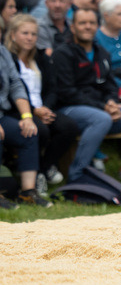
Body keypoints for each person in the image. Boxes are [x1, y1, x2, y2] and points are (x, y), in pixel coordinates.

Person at [53, 8, 121, 183]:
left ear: (97, 27)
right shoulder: (63, 53)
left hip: (100, 109)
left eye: (91, 23)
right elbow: (67, 92)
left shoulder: (101, 53)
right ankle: (78, 176)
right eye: (82, 23)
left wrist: (112, 103)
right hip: (69, 109)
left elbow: (110, 86)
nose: (87, 27)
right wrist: (103, 107)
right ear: (73, 27)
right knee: (101, 119)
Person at [6, 14, 78, 194]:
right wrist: (33, 111)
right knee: (40, 130)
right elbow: (9, 94)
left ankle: (44, 169)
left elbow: (53, 88)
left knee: (68, 127)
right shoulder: (7, 59)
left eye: (33, 34)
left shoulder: (41, 58)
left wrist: (45, 108)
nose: (30, 37)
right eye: (25, 33)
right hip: (18, 110)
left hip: (43, 107)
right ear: (13, 34)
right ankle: (37, 173)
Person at [0, 34, 51, 207]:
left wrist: (27, 117)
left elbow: (15, 84)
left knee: (28, 132)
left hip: (2, 115)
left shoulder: (3, 53)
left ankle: (28, 193)